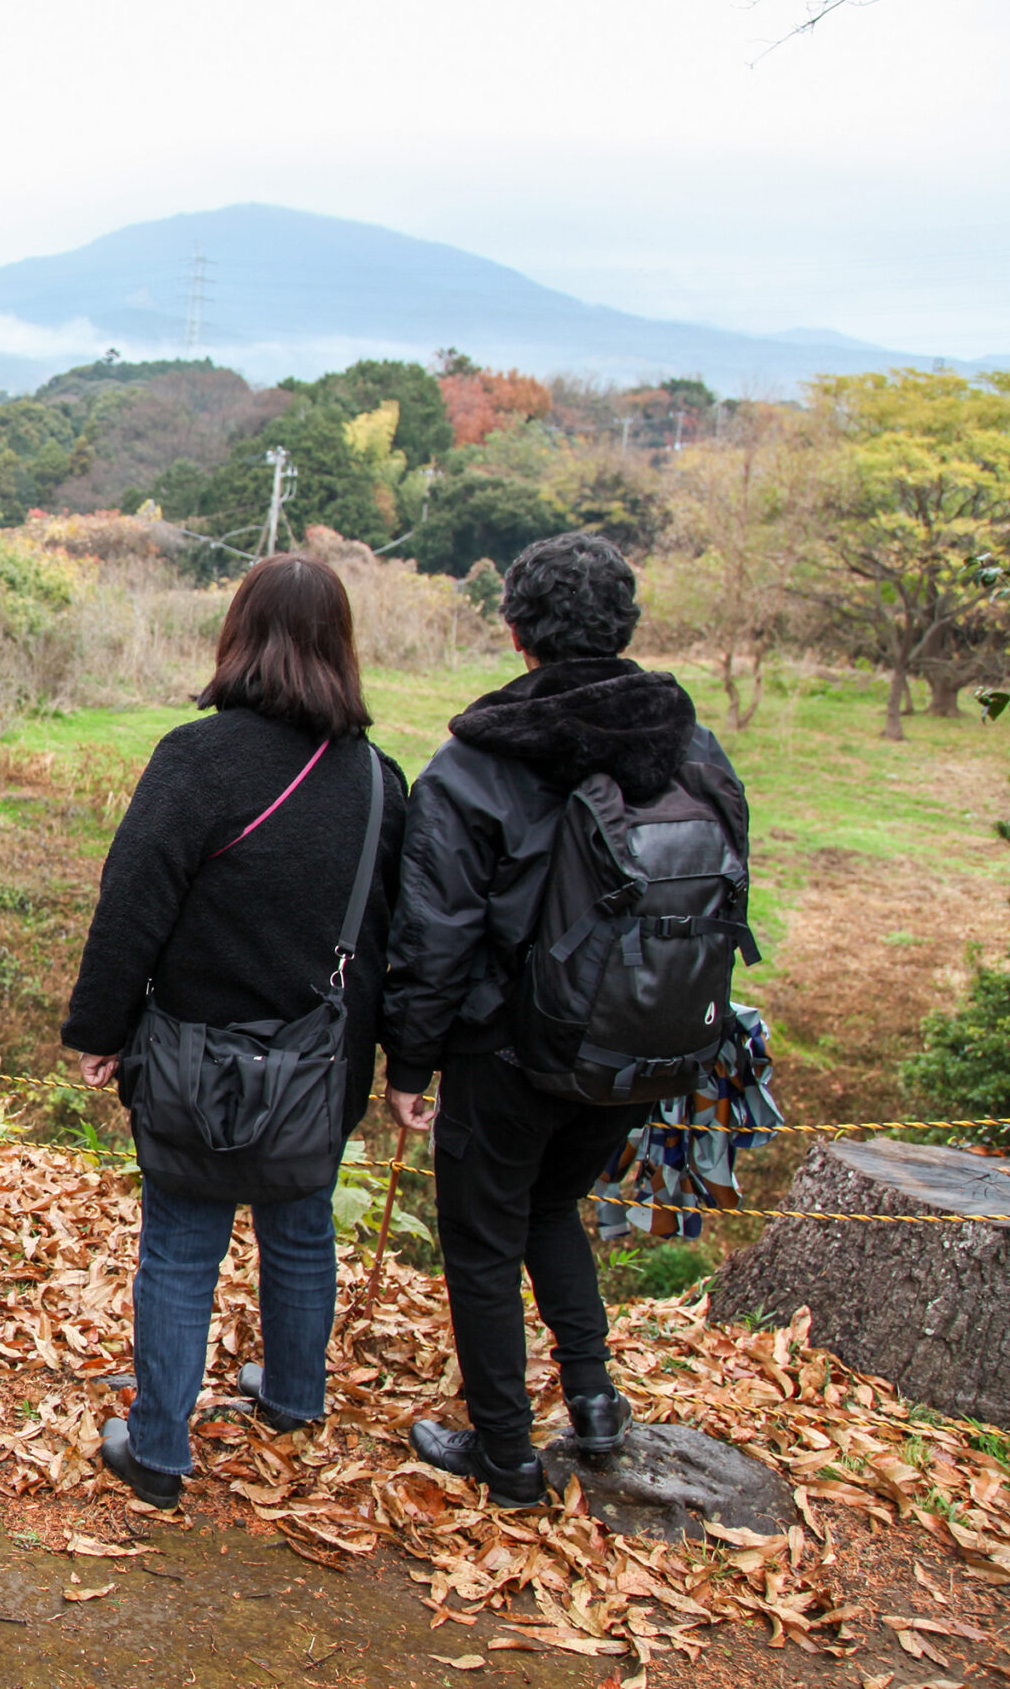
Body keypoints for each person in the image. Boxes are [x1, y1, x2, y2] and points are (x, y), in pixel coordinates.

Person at [381, 533, 744, 1503]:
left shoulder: (477, 763)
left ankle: (503, 1456)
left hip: (509, 1051)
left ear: (514, 632)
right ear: (624, 626)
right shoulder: (691, 748)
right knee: (552, 1206)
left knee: (484, 1238)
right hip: (648, 1044)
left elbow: (435, 931)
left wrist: (409, 1065)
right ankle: (592, 1403)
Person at [60, 554, 407, 1510]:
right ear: (340, 646)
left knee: (179, 1246)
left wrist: (101, 1026)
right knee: (301, 1227)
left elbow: (133, 902)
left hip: (193, 1062)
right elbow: (393, 939)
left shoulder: (196, 757)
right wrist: (403, 1062)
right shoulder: (377, 779)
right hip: (320, 1069)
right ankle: (294, 1396)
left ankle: (161, 1449)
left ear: (238, 634)